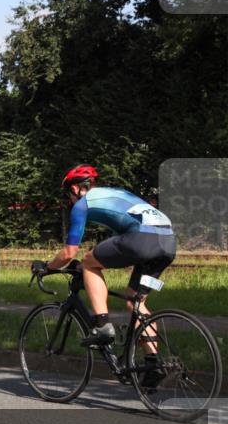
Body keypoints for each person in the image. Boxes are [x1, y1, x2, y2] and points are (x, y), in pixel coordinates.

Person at [33, 165, 176, 386]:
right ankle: (153, 364)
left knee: (89, 262)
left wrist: (47, 267)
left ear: (75, 188)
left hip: (143, 240)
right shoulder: (119, 194)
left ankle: (102, 325)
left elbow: (70, 252)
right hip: (168, 244)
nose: (69, 200)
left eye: (68, 195)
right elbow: (118, 242)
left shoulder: (82, 205)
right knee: (135, 301)